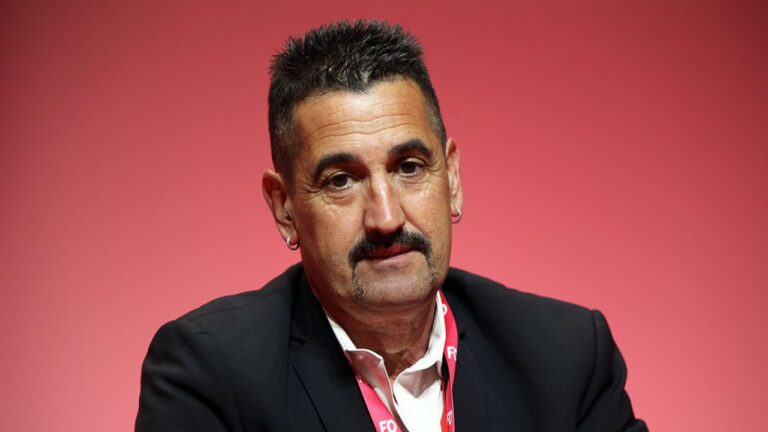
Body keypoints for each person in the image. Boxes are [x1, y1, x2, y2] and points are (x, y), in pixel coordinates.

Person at [136, 20, 647, 432]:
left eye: (409, 168)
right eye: (341, 180)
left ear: (452, 179)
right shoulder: (211, 374)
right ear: (284, 207)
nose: (386, 218)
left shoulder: (567, 357)